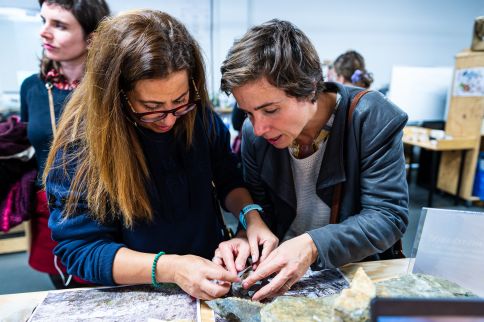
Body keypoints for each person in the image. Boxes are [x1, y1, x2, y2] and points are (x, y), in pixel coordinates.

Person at [43, 10, 278, 300]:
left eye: (180, 102)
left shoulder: (197, 117)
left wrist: (250, 220)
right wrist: (170, 268)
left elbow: (228, 179)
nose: (168, 120)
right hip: (134, 293)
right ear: (116, 96)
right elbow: (79, 249)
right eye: (151, 107)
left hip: (209, 278)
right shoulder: (81, 143)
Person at [215, 19, 409, 301]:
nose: (258, 128)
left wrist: (312, 245)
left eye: (270, 110)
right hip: (283, 280)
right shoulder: (254, 136)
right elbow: (261, 210)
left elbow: (388, 216)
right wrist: (246, 237)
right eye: (248, 113)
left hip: (354, 278)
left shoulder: (371, 117)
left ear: (309, 88)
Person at [20, 0, 110, 288]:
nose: (44, 33)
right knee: (64, 296)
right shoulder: (32, 88)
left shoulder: (112, 87)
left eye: (59, 25)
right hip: (49, 211)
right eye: (44, 21)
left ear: (93, 35)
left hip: (105, 211)